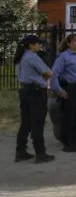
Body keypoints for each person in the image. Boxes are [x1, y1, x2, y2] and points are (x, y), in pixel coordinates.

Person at [14, 34, 55, 163]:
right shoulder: (32, 57)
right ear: (31, 45)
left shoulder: (20, 58)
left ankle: (20, 151)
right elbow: (49, 73)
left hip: (25, 91)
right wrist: (42, 79)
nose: (39, 45)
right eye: (38, 43)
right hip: (36, 92)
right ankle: (40, 153)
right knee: (37, 122)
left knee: (26, 122)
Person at [51, 33, 76, 153]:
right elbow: (54, 75)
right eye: (75, 41)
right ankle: (68, 143)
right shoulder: (63, 57)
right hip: (71, 88)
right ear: (69, 43)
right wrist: (59, 90)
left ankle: (75, 139)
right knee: (70, 116)